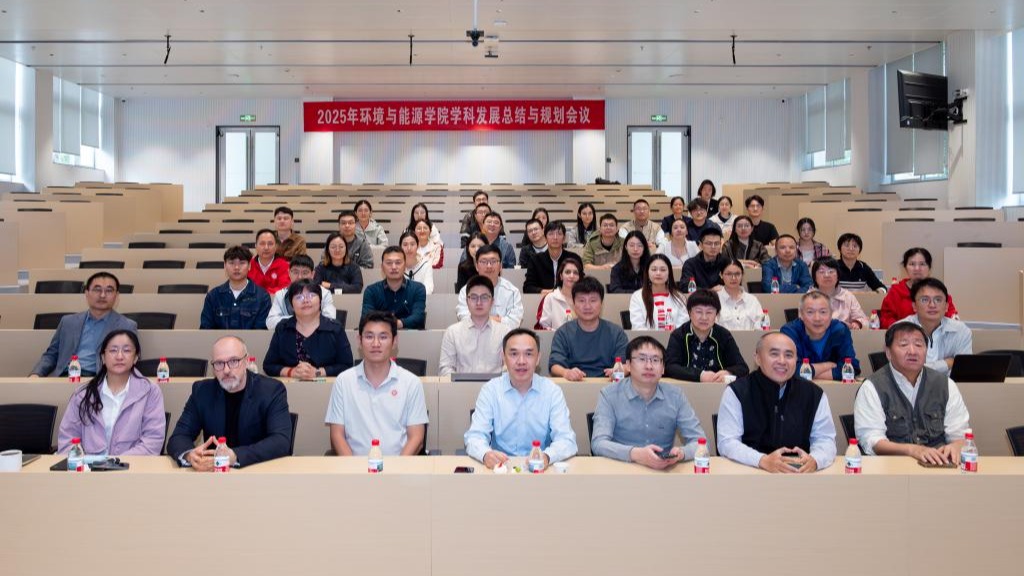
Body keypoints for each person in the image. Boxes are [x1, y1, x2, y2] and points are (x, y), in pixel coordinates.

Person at [716, 332, 837, 473]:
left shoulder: (813, 394)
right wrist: (762, 460)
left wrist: (815, 460)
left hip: (798, 475)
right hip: (749, 472)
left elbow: (826, 439)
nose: (782, 361)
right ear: (757, 358)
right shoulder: (737, 392)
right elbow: (727, 442)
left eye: (789, 355)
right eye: (774, 354)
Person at [853, 322, 971, 464]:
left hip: (938, 467)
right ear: (888, 353)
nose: (913, 351)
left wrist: (956, 446)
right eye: (904, 345)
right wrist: (912, 450)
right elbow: (872, 441)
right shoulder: (872, 387)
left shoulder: (945, 385)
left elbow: (960, 435)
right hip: (891, 468)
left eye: (919, 345)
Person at [167, 336, 292, 469]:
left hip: (257, 471)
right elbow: (179, 437)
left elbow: (281, 441)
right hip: (214, 474)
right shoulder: (202, 391)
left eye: (233, 361)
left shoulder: (271, 390)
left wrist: (235, 456)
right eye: (219, 363)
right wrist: (189, 455)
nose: (226, 370)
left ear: (246, 361)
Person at [464, 329, 577, 470]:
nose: (521, 361)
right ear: (503, 357)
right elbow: (475, 436)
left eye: (528, 354)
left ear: (538, 358)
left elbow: (566, 440)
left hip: (540, 471)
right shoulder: (491, 390)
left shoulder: (552, 391)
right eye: (514, 354)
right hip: (501, 470)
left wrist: (547, 457)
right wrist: (486, 454)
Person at [591, 336, 707, 468]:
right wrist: (635, 454)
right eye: (642, 359)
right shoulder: (609, 395)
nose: (649, 366)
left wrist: (681, 453)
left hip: (663, 471)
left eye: (655, 360)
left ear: (663, 368)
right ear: (628, 365)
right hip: (621, 469)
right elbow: (599, 443)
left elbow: (700, 442)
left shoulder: (675, 396)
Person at [326, 312, 429, 456]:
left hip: (399, 466)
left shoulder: (411, 383)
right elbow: (337, 435)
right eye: (369, 337)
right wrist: (352, 467)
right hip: (354, 466)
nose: (376, 344)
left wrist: (397, 468)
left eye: (383, 337)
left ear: (394, 341)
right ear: (359, 341)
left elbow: (416, 438)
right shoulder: (343, 381)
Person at [56, 329, 165, 455]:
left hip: (132, 465)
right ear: (103, 357)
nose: (119, 356)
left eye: (127, 350)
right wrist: (85, 463)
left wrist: (116, 463)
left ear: (135, 358)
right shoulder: (83, 394)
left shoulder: (150, 391)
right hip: (88, 466)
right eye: (113, 350)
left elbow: (152, 441)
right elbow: (67, 440)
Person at [30, 272, 137, 378]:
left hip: (100, 380)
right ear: (87, 293)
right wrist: (36, 374)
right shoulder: (68, 322)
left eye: (109, 290)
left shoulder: (126, 326)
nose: (102, 295)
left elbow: (130, 360)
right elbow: (51, 354)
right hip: (65, 378)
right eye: (97, 289)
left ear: (116, 295)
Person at [263, 280, 353, 378]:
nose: (305, 301)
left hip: (326, 386)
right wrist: (291, 372)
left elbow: (346, 365)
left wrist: (318, 373)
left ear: (320, 300)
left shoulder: (335, 328)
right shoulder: (282, 328)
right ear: (291, 304)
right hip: (291, 386)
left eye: (311, 295)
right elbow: (269, 365)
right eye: (299, 297)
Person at [549, 277, 629, 381]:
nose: (587, 306)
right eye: (581, 300)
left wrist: (619, 371)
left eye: (593, 300)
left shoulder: (616, 333)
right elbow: (554, 365)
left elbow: (626, 365)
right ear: (573, 303)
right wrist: (566, 372)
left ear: (601, 303)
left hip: (608, 384)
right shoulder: (563, 333)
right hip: (574, 385)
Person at [664, 289, 749, 382]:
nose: (704, 317)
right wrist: (699, 375)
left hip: (717, 387)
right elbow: (670, 367)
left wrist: (728, 372)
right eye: (699, 312)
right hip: (687, 387)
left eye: (709, 312)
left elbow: (742, 367)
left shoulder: (724, 335)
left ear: (716, 314)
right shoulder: (678, 335)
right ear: (689, 313)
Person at [439, 275, 511, 377]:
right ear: (467, 301)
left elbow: (510, 367)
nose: (479, 303)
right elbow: (445, 369)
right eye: (473, 297)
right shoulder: (452, 332)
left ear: (492, 302)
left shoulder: (505, 332)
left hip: (495, 386)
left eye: (484, 297)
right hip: (461, 386)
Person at [896, 278, 973, 374]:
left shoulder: (961, 331)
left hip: (950, 384)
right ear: (914, 306)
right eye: (925, 300)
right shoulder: (899, 330)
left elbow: (964, 369)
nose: (932, 305)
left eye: (938, 300)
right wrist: (947, 363)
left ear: (946, 306)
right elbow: (904, 370)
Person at [780, 291, 861, 381]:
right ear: (801, 315)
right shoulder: (790, 332)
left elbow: (852, 367)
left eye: (823, 312)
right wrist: (826, 366)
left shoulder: (840, 330)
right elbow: (788, 369)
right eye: (810, 312)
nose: (817, 318)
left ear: (831, 314)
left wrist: (807, 373)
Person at [880, 247, 959, 329]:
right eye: (912, 264)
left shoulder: (939, 291)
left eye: (922, 264)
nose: (917, 268)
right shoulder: (896, 292)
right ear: (905, 268)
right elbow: (886, 319)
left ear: (929, 267)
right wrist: (902, 329)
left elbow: (951, 317)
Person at [200, 245, 272, 330]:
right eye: (231, 263)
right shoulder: (213, 296)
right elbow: (205, 329)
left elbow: (261, 332)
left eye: (242, 263)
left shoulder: (262, 297)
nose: (236, 268)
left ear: (249, 266)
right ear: (225, 266)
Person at [455, 244, 524, 328]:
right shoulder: (466, 290)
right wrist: (498, 319)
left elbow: (514, 323)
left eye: (493, 261)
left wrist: (481, 318)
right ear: (476, 266)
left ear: (500, 266)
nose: (489, 266)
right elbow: (464, 319)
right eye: (483, 262)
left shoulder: (512, 292)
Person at [360, 246, 427, 330]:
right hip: (380, 336)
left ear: (405, 266)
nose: (394, 267)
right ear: (382, 267)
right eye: (389, 263)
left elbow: (418, 317)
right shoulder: (371, 291)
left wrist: (397, 324)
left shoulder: (418, 289)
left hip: (411, 336)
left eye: (398, 263)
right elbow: (366, 318)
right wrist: (392, 324)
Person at [267, 254, 338, 329]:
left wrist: (299, 319)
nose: (300, 277)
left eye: (305, 273)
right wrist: (302, 318)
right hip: (289, 334)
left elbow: (330, 319)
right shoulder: (280, 295)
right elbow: (270, 323)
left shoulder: (324, 293)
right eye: (295, 272)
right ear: (289, 273)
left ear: (312, 274)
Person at [628, 254, 689, 330]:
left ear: (669, 273)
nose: (658, 273)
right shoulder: (637, 296)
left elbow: (683, 327)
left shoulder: (680, 297)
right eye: (654, 269)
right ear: (647, 273)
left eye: (663, 270)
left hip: (674, 337)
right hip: (646, 337)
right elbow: (638, 327)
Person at [811, 257, 868, 330]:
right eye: (822, 272)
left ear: (838, 276)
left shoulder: (847, 296)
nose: (827, 275)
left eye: (831, 271)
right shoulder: (809, 298)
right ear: (814, 277)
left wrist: (857, 323)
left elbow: (863, 320)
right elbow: (804, 324)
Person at [523, 221, 575, 295]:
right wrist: (550, 293)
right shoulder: (535, 260)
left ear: (564, 238)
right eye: (551, 234)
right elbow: (527, 287)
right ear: (545, 237)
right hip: (542, 299)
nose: (555, 237)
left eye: (559, 234)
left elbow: (580, 284)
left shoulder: (573, 259)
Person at [717, 259, 766, 331]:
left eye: (737, 274)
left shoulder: (752, 300)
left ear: (742, 275)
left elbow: (761, 326)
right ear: (721, 275)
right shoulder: (715, 299)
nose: (733, 278)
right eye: (729, 274)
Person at [537, 258, 584, 331]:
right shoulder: (550, 298)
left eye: (575, 273)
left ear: (579, 277)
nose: (571, 276)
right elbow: (543, 327)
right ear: (561, 276)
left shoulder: (585, 299)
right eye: (567, 272)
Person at [248, 228, 291, 293]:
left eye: (270, 244)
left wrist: (262, 294)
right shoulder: (248, 265)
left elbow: (284, 288)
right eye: (262, 244)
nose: (266, 248)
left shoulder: (284, 266)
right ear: (256, 246)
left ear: (276, 247)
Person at [400, 230, 434, 295]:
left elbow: (428, 290)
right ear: (400, 247)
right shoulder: (396, 266)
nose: (409, 248)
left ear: (418, 246)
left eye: (412, 244)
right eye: (405, 245)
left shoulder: (426, 265)